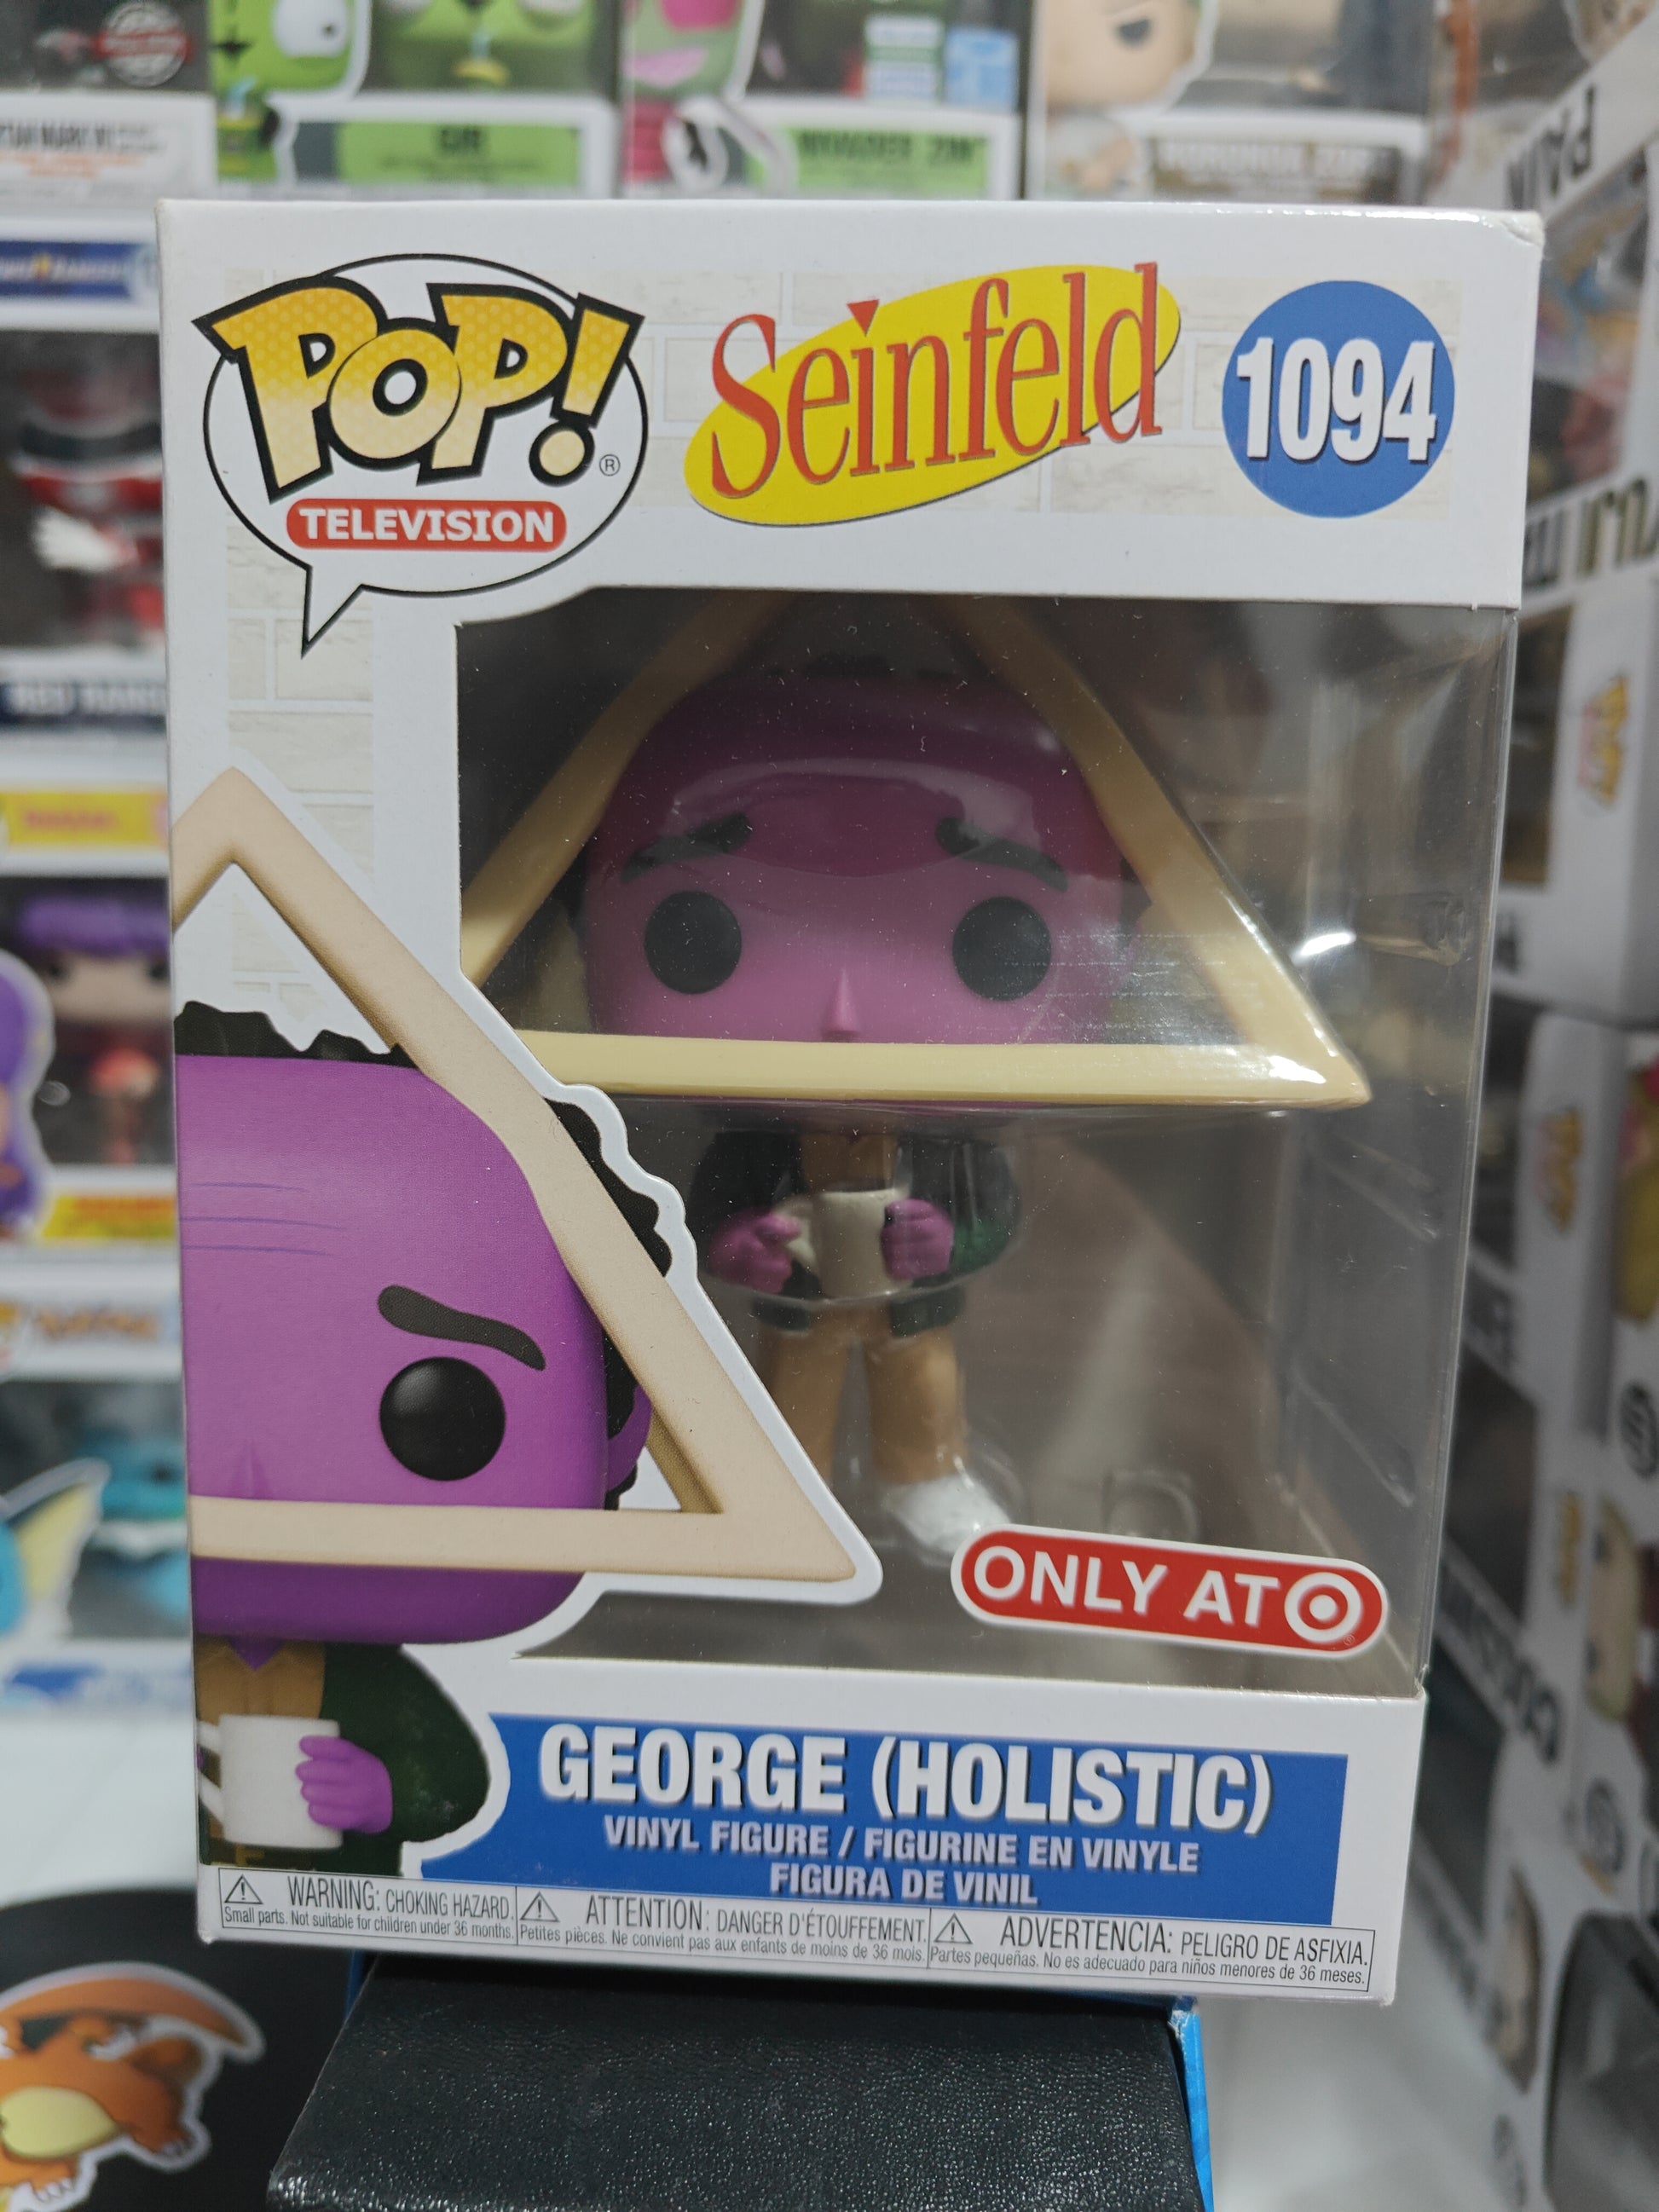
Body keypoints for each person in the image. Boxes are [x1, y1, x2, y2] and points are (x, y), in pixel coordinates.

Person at [581, 668, 1140, 1561]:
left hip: (910, 1308)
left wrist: (946, 1242)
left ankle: (925, 1481)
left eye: (994, 945)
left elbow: (991, 1212)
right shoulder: (758, 1139)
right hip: (798, 1305)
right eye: (698, 935)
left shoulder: (947, 1141)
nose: (842, 1011)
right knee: (787, 1396)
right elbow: (710, 1207)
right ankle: (782, 1494)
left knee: (923, 1387)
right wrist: (741, 1247)